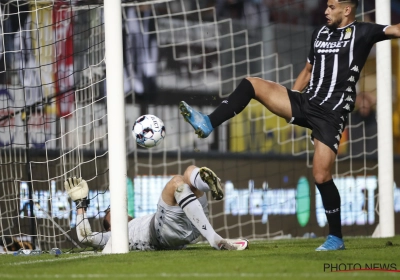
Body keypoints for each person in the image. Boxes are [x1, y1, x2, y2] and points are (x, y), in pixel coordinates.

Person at [179, 0, 400, 251]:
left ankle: (336, 237)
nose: (325, 11)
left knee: (321, 175)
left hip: (331, 115)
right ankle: (208, 122)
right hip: (305, 102)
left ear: (347, 10)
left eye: (331, 6)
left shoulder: (364, 32)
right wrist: (292, 99)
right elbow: (308, 70)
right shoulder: (320, 33)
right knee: (252, 84)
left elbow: (396, 30)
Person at [64, 166, 249, 252]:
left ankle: (209, 186)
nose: (117, 210)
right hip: (160, 233)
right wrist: (81, 204)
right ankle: (214, 238)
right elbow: (84, 237)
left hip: (193, 226)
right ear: (109, 227)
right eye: (110, 213)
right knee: (176, 182)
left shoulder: (136, 220)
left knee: (189, 172)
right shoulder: (113, 237)